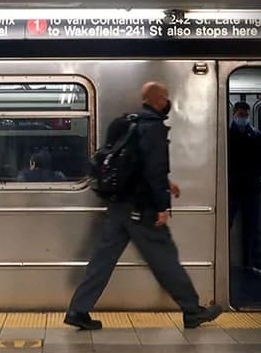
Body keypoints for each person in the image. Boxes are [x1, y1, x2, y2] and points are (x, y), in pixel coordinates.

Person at [65, 81, 223, 330]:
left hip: (118, 205)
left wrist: (166, 184)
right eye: (166, 97)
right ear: (159, 101)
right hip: (141, 209)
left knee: (102, 260)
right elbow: (154, 169)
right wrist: (162, 206)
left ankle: (78, 310)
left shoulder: (125, 123)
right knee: (165, 259)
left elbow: (128, 163)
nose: (168, 102)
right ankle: (192, 310)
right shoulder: (153, 127)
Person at [228, 102, 261, 275]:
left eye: (245, 115)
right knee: (226, 224)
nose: (243, 118)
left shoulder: (256, 135)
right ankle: (223, 261)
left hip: (251, 188)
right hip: (232, 188)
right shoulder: (226, 134)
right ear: (234, 114)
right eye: (240, 114)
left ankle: (253, 262)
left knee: (253, 227)